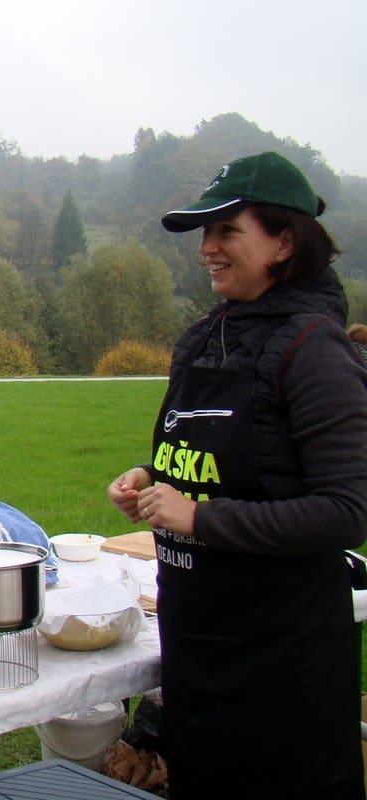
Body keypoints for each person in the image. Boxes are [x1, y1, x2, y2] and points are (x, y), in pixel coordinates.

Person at [107, 152, 367, 798]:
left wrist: (199, 517)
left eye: (227, 231)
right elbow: (219, 456)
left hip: (282, 670)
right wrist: (151, 476)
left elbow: (346, 511)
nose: (207, 248)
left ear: (284, 242)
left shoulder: (315, 349)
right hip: (198, 647)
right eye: (205, 232)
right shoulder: (203, 338)